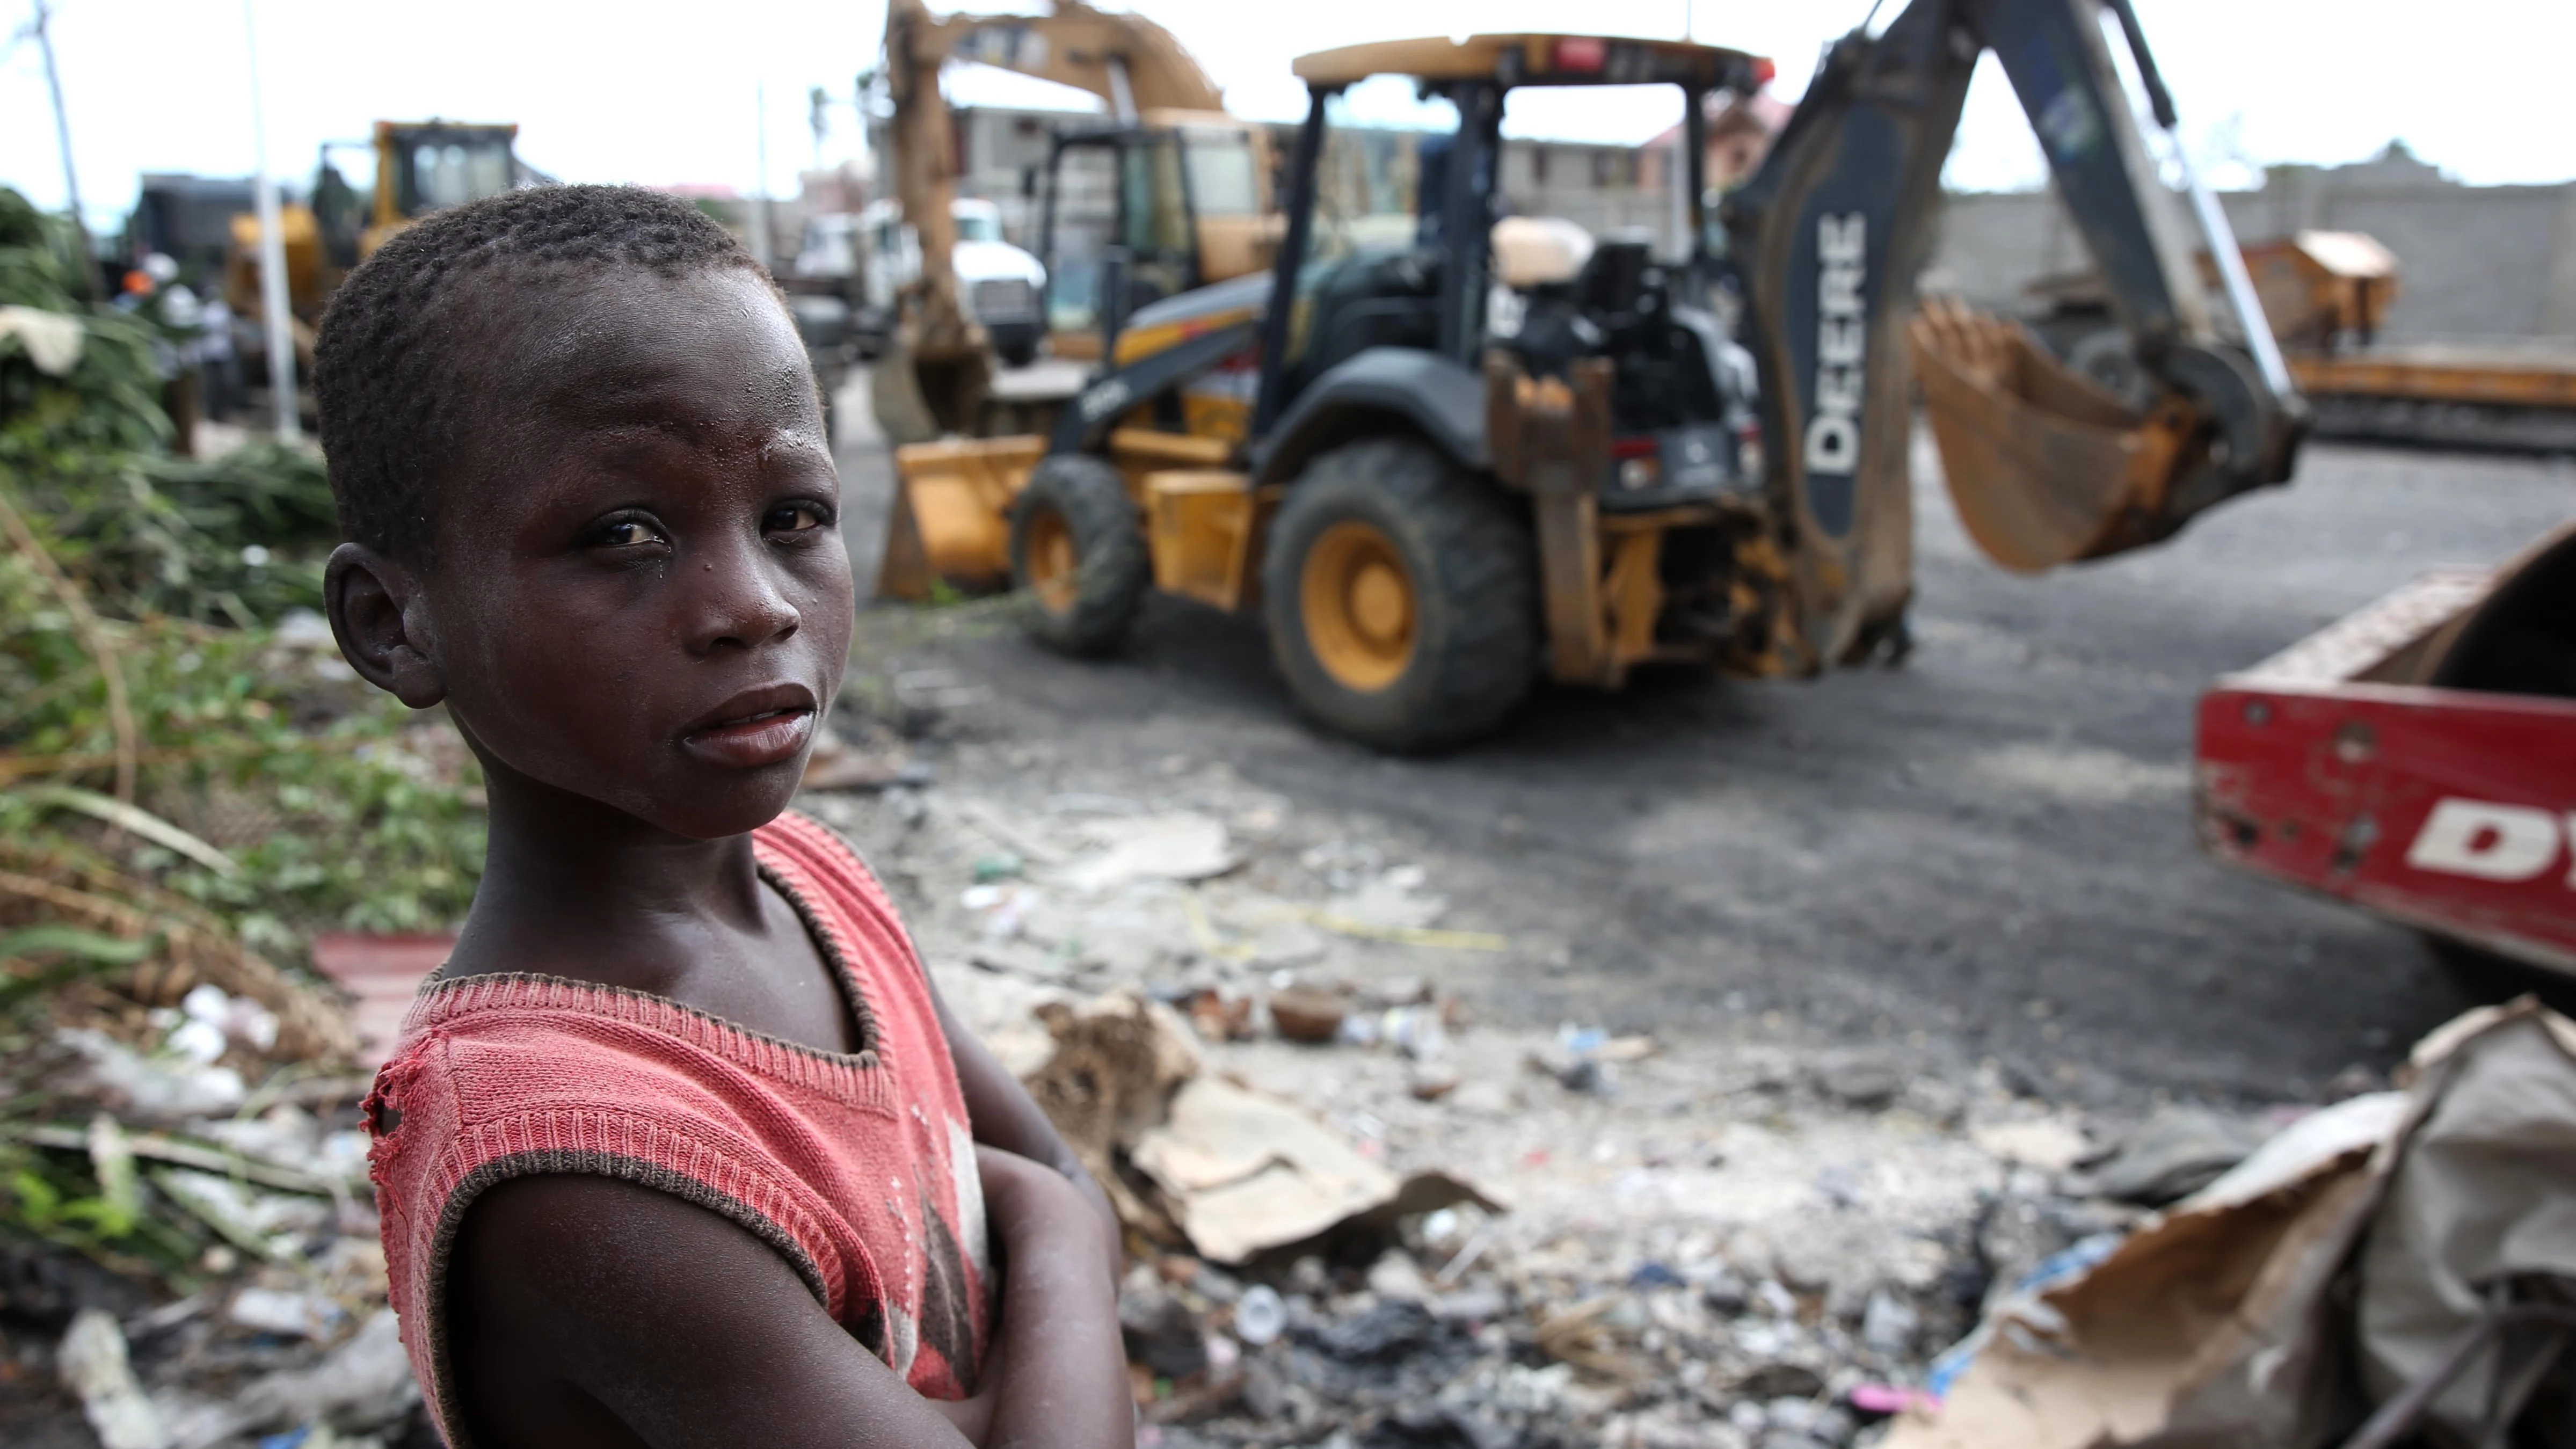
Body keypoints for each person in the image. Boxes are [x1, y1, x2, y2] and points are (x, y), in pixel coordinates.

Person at [314, 185, 1131, 1449]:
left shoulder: (810, 880)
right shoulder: (562, 1152)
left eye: (793, 516)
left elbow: (1059, 1178)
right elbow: (1056, 1195)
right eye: (623, 531)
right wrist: (1067, 1239)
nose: (753, 603)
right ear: (391, 622)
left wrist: (1058, 1229)